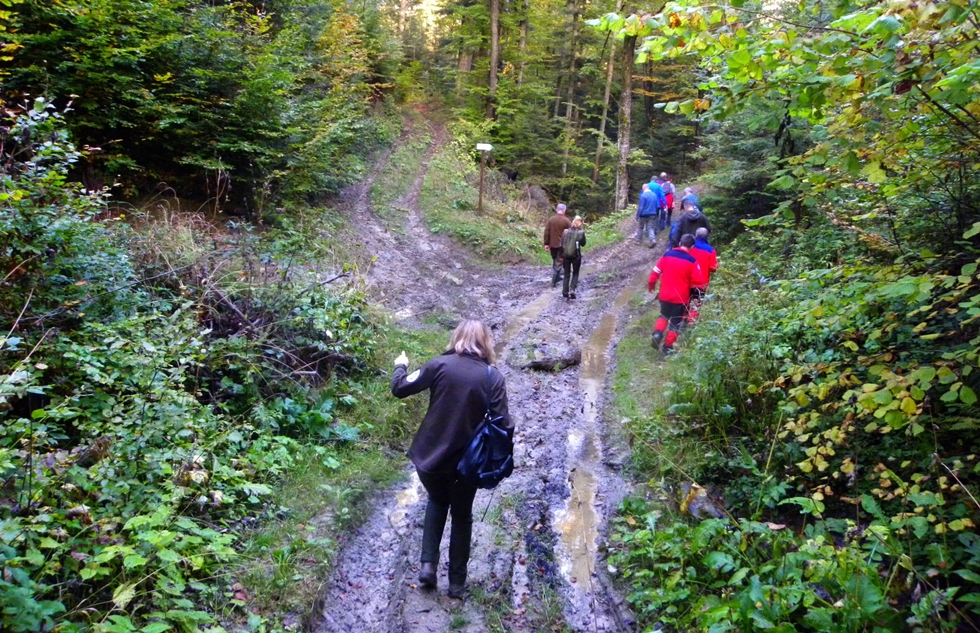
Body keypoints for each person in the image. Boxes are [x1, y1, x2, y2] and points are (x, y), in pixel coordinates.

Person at [390, 320, 512, 599]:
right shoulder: (493, 377)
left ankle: (427, 568)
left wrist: (400, 364)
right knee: (462, 515)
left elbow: (399, 388)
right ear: (485, 342)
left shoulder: (438, 365)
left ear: (456, 338)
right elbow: (504, 425)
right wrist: (500, 460)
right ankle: (456, 584)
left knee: (436, 500)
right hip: (467, 464)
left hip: (430, 457)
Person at [647, 234, 705, 355]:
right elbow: (698, 282)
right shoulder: (692, 261)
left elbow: (656, 271)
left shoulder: (667, 255)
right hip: (680, 298)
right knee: (675, 322)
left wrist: (651, 284)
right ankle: (667, 348)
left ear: (680, 243)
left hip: (664, 295)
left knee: (663, 315)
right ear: (692, 247)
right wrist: (697, 297)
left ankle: (657, 334)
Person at [687, 227, 718, 323]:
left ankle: (680, 323)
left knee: (684, 302)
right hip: (701, 283)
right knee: (696, 305)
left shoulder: (689, 246)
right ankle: (691, 324)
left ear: (696, 235)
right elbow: (713, 268)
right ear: (707, 236)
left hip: (686, 281)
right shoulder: (710, 250)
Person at [543, 203, 572, 287]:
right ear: (564, 210)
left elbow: (547, 232)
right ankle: (553, 282)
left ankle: (558, 277)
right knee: (559, 262)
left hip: (552, 245)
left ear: (556, 210)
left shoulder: (551, 220)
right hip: (562, 246)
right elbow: (571, 234)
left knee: (555, 260)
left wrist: (546, 243)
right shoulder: (567, 221)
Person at [560, 216, 587, 299]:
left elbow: (562, 244)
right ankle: (572, 289)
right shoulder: (581, 233)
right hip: (576, 256)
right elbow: (583, 243)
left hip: (566, 256)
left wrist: (561, 255)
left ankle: (565, 292)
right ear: (580, 222)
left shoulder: (565, 232)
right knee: (575, 273)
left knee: (566, 274)